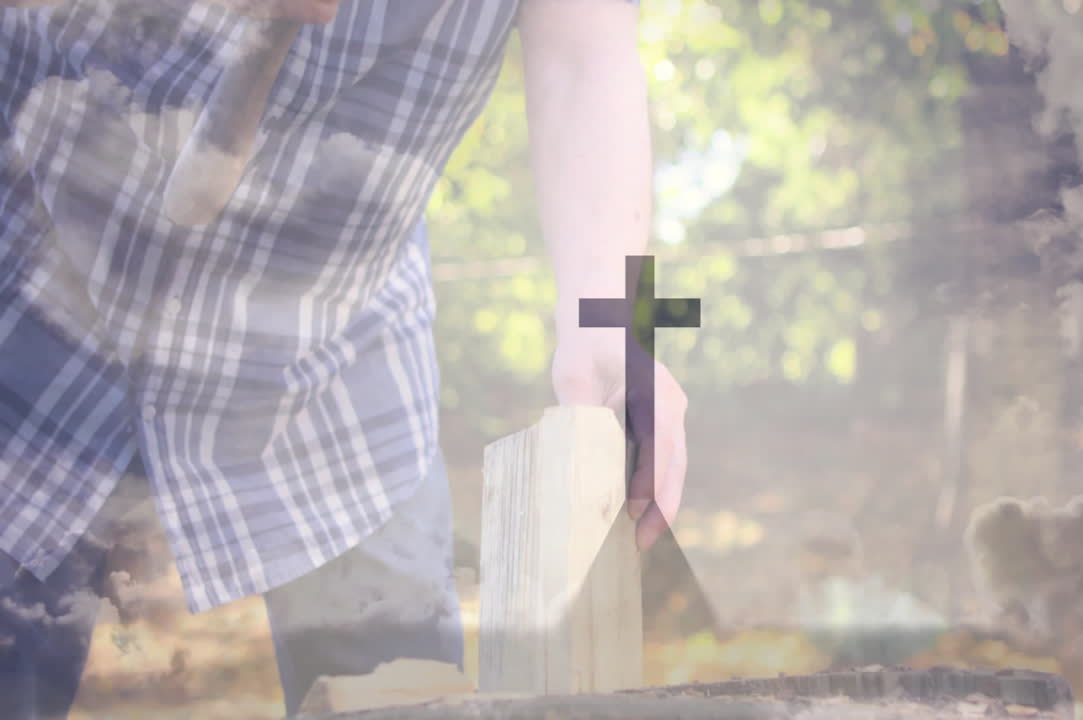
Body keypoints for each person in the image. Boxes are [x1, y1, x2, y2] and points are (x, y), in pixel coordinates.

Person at [0, 0, 690, 717]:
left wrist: (618, 323)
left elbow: (587, 57)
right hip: (31, 290)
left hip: (336, 359)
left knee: (405, 700)